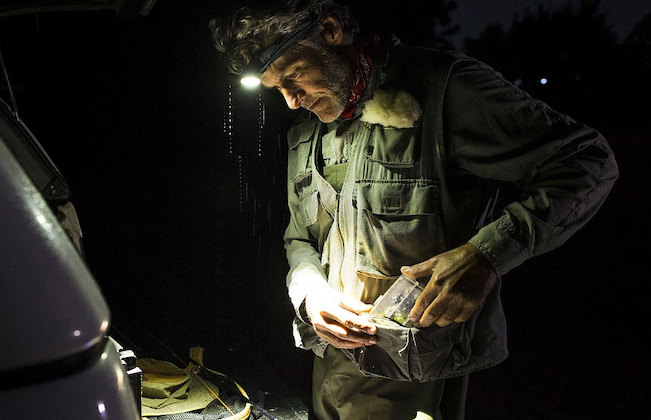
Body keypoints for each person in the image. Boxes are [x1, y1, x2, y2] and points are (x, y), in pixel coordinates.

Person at [209, 1, 618, 419]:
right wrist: (310, 293)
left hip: (418, 373)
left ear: (330, 30)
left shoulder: (443, 90)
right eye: (277, 88)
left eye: (293, 75)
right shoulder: (308, 127)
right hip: (332, 372)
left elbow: (586, 161)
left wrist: (485, 255)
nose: (291, 101)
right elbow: (299, 239)